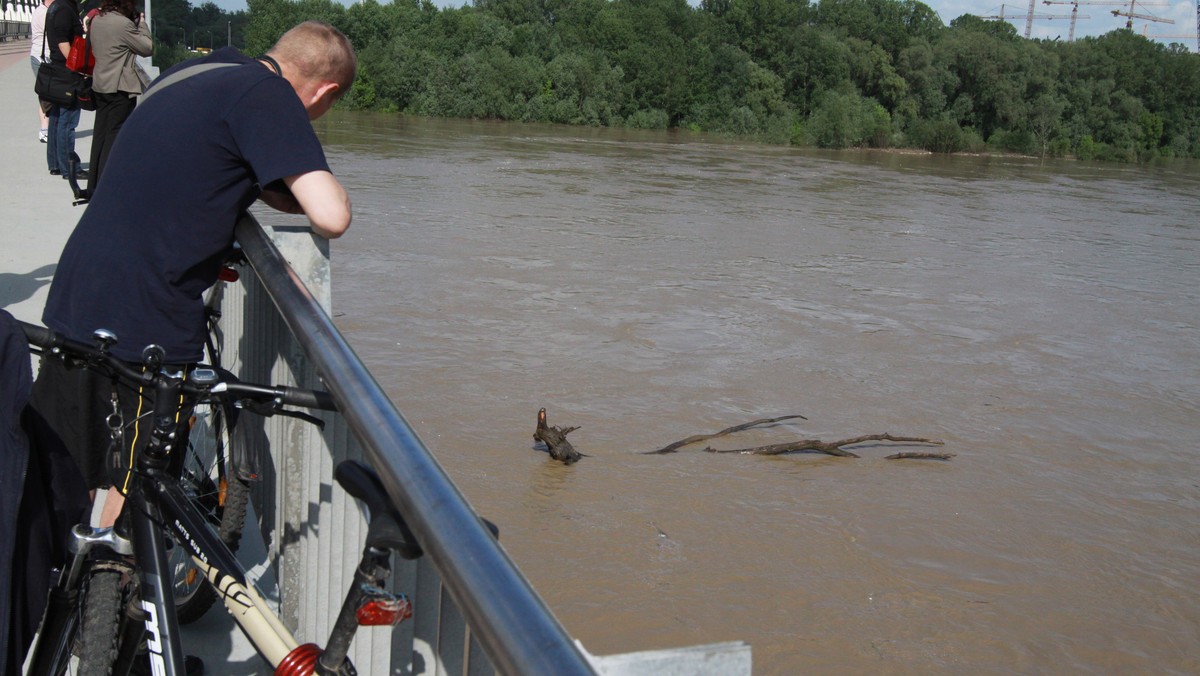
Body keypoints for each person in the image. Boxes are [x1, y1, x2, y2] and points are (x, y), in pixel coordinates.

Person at [32, 17, 355, 534]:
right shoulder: (270, 96)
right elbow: (331, 216)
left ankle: (52, 598)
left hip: (80, 289)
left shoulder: (200, 70)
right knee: (133, 490)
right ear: (325, 91)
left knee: (61, 473)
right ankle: (117, 595)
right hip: (147, 318)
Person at [86, 0, 151, 191]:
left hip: (100, 84)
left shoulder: (98, 20)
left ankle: (93, 184)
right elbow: (147, 48)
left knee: (100, 135)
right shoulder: (123, 25)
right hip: (119, 86)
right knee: (114, 136)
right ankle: (105, 186)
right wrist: (142, 24)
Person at [43, 0, 85, 179]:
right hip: (66, 72)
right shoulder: (65, 10)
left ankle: (56, 164)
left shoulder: (55, 7)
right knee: (67, 121)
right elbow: (62, 42)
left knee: (56, 118)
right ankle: (69, 167)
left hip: (57, 71)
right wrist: (78, 67)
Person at [29, 0, 54, 143]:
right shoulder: (44, 12)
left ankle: (46, 129)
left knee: (46, 94)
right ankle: (44, 130)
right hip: (42, 57)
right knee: (46, 95)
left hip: (41, 56)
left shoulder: (41, 10)